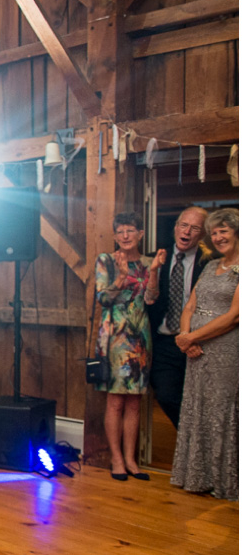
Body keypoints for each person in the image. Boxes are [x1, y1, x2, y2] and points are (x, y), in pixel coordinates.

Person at [171, 208, 239, 501]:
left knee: (221, 412)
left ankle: (225, 481)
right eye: (214, 232)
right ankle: (196, 476)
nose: (218, 237)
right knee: (196, 408)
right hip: (196, 352)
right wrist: (186, 338)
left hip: (226, 350)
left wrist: (190, 338)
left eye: (224, 231)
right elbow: (189, 306)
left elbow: (235, 316)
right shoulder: (211, 266)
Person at [92, 212, 165, 481]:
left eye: (131, 231)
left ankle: (132, 460)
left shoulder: (148, 262)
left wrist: (154, 270)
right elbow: (104, 299)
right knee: (115, 401)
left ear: (140, 234)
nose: (125, 236)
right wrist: (121, 276)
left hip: (140, 336)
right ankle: (116, 459)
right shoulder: (106, 260)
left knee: (135, 402)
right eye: (120, 231)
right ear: (114, 235)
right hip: (115, 337)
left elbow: (151, 298)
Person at [148, 206, 210, 427]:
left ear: (202, 235)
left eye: (194, 228)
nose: (187, 232)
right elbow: (148, 301)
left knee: (202, 402)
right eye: (184, 225)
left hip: (199, 343)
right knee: (166, 396)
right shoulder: (156, 258)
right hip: (165, 342)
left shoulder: (210, 264)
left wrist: (195, 337)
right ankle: (191, 441)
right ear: (176, 228)